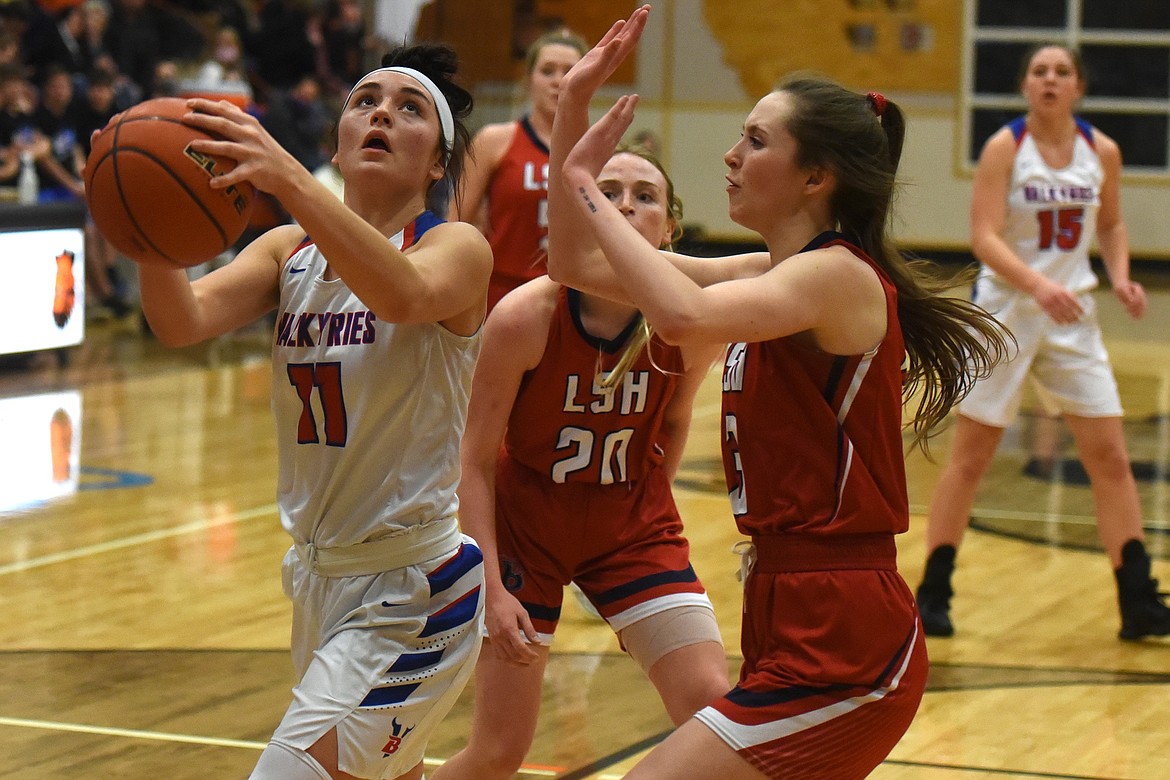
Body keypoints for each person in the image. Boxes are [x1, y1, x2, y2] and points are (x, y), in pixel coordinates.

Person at [546, 9, 1011, 778]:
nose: (729, 155)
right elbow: (571, 261)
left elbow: (680, 313)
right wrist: (571, 118)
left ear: (815, 177)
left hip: (847, 637)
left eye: (756, 141)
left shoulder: (837, 276)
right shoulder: (772, 274)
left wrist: (586, 186)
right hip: (787, 608)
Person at [134, 42, 492, 780]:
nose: (381, 113)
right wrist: (148, 226)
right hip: (320, 583)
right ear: (340, 136)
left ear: (437, 164)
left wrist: (291, 180)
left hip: (414, 592)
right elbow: (181, 321)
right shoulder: (286, 251)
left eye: (409, 107)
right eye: (365, 101)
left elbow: (400, 295)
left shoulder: (456, 247)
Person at [432, 144, 731, 780]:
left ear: (670, 228)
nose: (625, 204)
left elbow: (673, 423)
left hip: (630, 526)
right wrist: (486, 582)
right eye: (609, 190)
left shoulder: (691, 321)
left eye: (645, 196)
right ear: (578, 213)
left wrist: (649, 505)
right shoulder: (525, 315)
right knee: (499, 752)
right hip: (524, 533)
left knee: (713, 705)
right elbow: (475, 457)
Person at [914, 43, 1170, 642]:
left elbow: (1108, 223)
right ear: (1025, 85)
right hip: (1006, 310)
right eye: (1039, 71)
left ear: (1078, 86)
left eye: (1061, 72)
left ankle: (1138, 599)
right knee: (971, 458)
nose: (1050, 80)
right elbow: (983, 235)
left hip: (1071, 313)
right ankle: (933, 590)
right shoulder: (1007, 148)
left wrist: (1122, 274)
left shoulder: (1100, 150)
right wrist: (1036, 284)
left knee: (1108, 454)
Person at [451, 27, 587, 312]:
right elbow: (453, 224)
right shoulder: (494, 141)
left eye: (570, 71)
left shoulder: (597, 151)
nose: (559, 81)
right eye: (547, 71)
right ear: (528, 80)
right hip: (499, 297)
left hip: (571, 302)